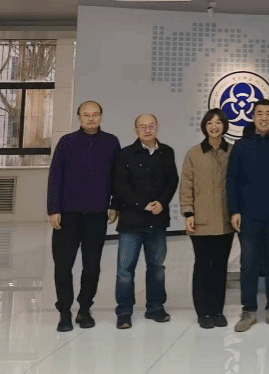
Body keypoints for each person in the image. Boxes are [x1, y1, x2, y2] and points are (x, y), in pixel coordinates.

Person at [47, 101, 120, 332]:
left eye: (95, 114)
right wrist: (53, 209)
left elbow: (117, 177)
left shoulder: (111, 142)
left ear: (101, 116)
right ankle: (64, 312)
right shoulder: (67, 142)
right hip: (68, 215)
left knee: (91, 267)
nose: (91, 118)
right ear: (78, 117)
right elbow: (55, 176)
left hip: (96, 216)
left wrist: (114, 204)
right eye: (86, 115)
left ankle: (85, 309)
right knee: (63, 266)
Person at [227, 99, 269, 332]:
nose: (264, 117)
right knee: (248, 265)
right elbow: (232, 180)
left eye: (268, 113)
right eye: (259, 113)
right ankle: (248, 310)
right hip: (248, 216)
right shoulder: (241, 145)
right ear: (253, 117)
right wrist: (234, 210)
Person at [112, 114, 179, 330]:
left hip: (157, 220)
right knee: (125, 270)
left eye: (151, 126)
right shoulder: (125, 154)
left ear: (157, 128)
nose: (147, 130)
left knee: (156, 267)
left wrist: (162, 202)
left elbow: (172, 180)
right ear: (135, 130)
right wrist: (142, 204)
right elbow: (120, 185)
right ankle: (124, 311)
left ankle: (155, 307)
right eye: (143, 127)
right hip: (131, 221)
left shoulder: (167, 152)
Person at [180, 108, 235, 329]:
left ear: (224, 126)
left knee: (220, 267)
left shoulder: (232, 152)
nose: (214, 126)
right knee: (203, 266)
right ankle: (203, 312)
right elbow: (186, 184)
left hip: (225, 221)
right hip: (200, 221)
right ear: (204, 126)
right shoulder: (194, 153)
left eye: (218, 123)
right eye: (210, 123)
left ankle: (217, 310)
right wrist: (188, 212)